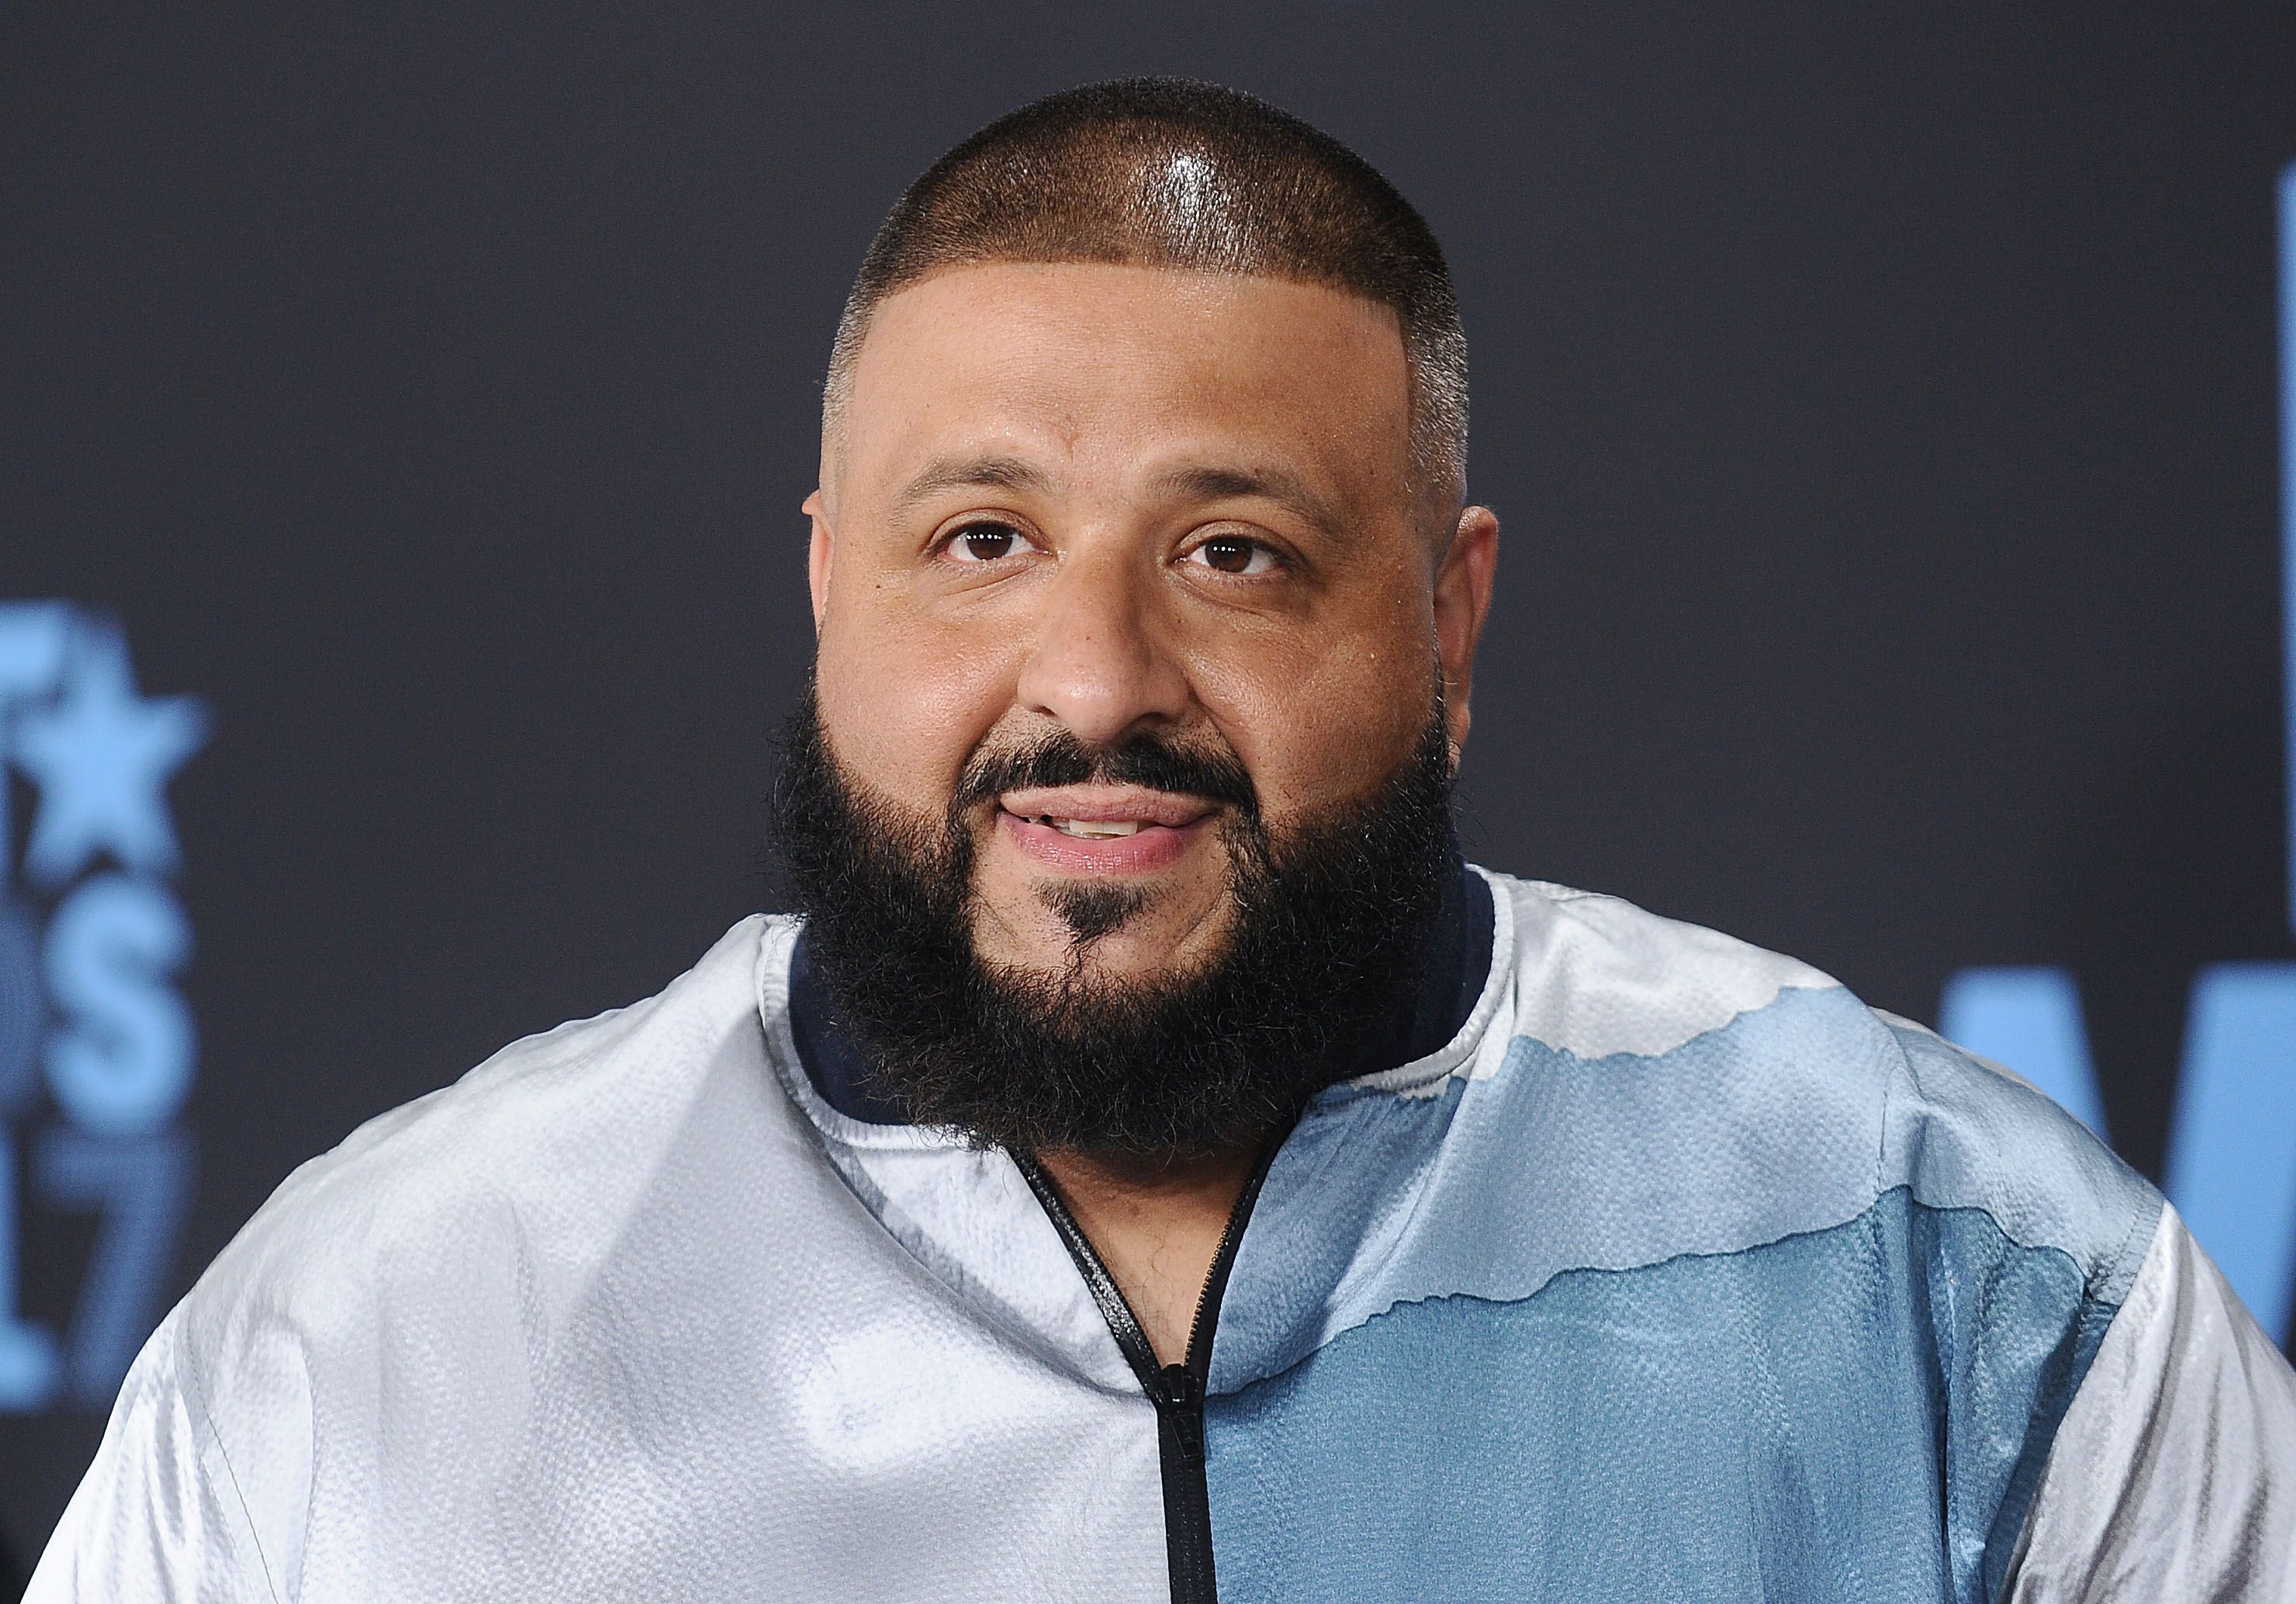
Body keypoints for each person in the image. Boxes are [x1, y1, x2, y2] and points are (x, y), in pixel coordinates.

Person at [27, 77, 2294, 1604]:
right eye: (982, 535)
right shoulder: (380, 1338)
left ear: (1450, 615)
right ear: (832, 592)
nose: (1094, 677)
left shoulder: (1960, 1282)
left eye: (1233, 552)